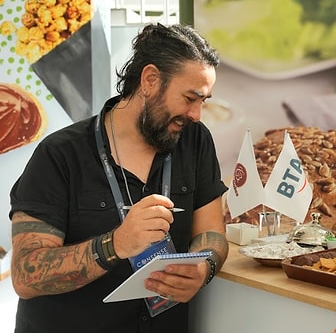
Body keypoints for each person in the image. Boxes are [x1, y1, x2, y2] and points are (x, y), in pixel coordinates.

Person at [9, 23, 229, 333]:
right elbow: (25, 276)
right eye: (190, 98)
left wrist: (204, 266)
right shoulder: (59, 155)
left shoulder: (195, 140)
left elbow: (211, 230)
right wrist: (117, 243)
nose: (196, 114)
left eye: (203, 101)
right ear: (150, 80)